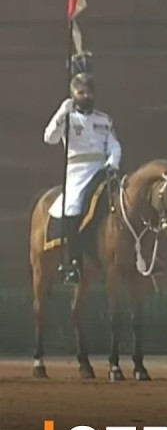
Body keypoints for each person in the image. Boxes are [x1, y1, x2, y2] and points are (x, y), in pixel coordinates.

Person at [43, 71, 122, 284]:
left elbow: (113, 143)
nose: (85, 96)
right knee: (72, 207)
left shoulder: (104, 120)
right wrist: (62, 112)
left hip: (101, 169)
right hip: (77, 172)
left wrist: (113, 161)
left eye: (89, 92)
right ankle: (73, 263)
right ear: (73, 94)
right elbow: (49, 137)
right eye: (81, 92)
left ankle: (138, 257)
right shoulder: (68, 118)